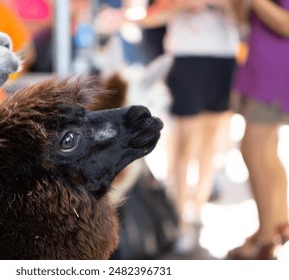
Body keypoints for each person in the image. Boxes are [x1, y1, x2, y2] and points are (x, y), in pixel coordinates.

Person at [97, 0, 241, 254]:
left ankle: (196, 210)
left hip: (223, 57)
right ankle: (181, 218)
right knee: (187, 140)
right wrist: (124, 18)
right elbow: (161, 11)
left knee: (209, 141)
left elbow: (242, 13)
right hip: (186, 56)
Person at [227, 0, 289, 260]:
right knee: (266, 151)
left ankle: (266, 240)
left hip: (275, 72)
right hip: (259, 67)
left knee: (252, 151)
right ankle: (279, 222)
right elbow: (241, 18)